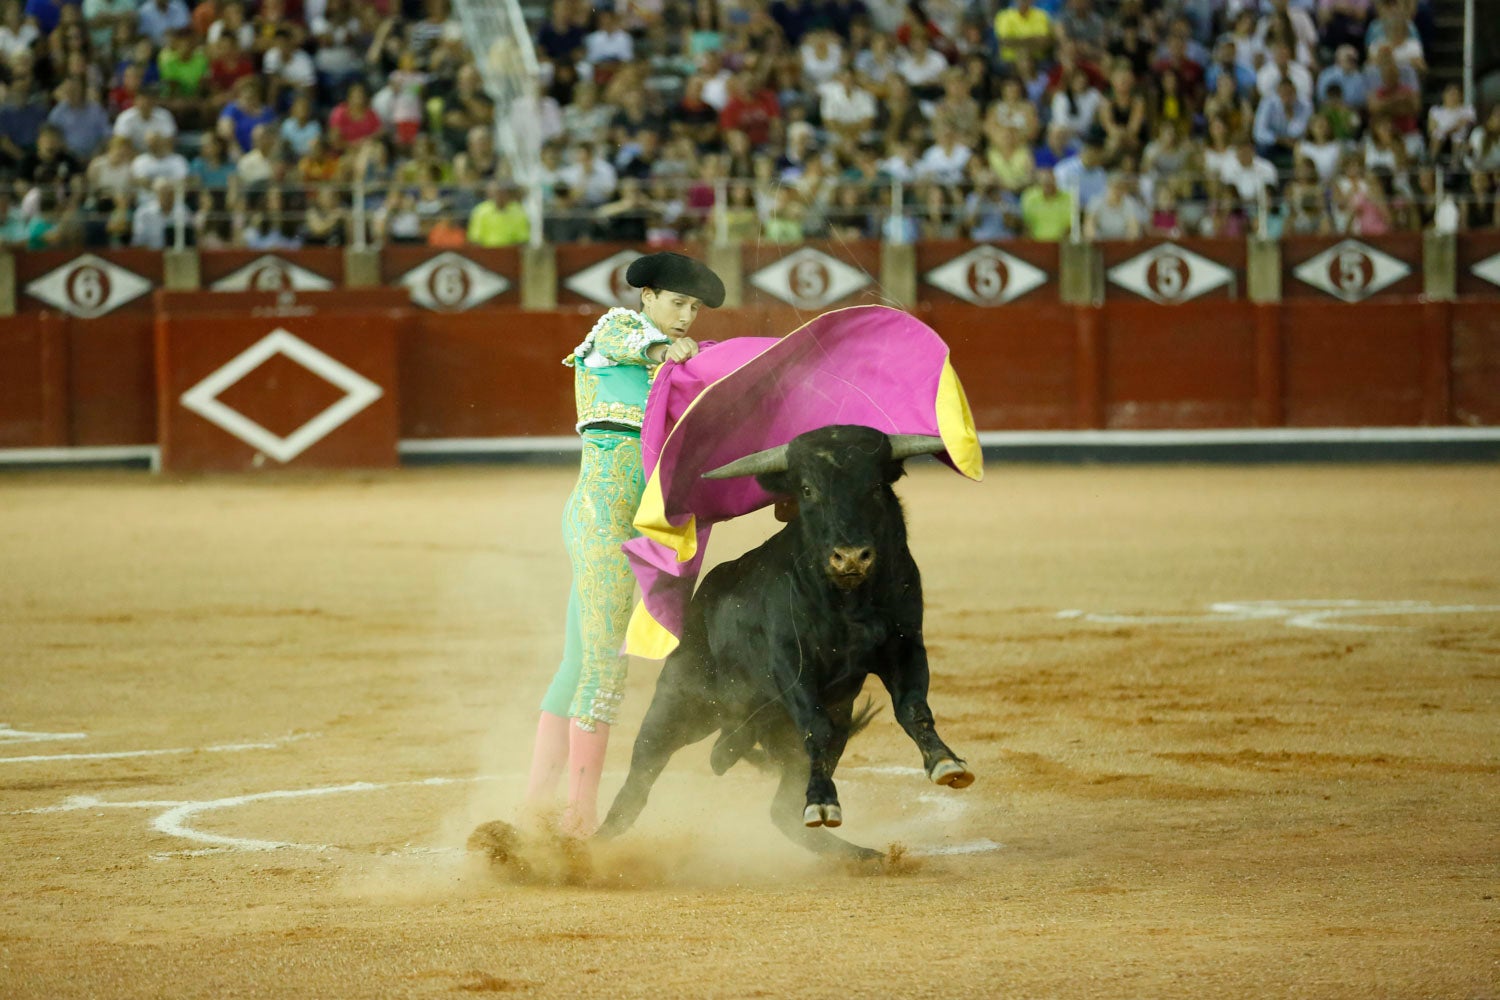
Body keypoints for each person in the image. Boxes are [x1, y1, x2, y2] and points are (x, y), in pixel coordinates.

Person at [523, 251, 725, 839]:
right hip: (601, 519)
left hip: (645, 528)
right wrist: (664, 351)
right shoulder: (615, 330)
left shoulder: (688, 368)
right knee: (604, 667)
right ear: (649, 297)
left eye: (695, 308)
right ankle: (578, 819)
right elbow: (634, 343)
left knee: (579, 660)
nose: (687, 316)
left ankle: (533, 810)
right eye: (678, 302)